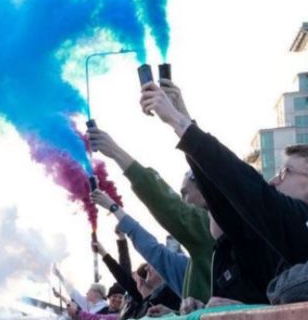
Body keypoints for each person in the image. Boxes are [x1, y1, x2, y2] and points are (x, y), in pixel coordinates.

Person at [139, 80, 302, 303]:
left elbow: (245, 186)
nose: (274, 180)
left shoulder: (295, 226)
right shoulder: (263, 245)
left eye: (286, 171)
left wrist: (180, 122)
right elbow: (222, 193)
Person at [88, 115, 212, 302]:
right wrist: (172, 314)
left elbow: (167, 204)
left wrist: (115, 152)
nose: (182, 201)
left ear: (205, 194)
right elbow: (153, 250)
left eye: (185, 193)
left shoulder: (207, 230)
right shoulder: (190, 265)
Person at [90, 189, 188, 297]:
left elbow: (149, 248)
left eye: (153, 264)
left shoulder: (170, 296)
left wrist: (113, 207)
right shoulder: (154, 304)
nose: (147, 268)